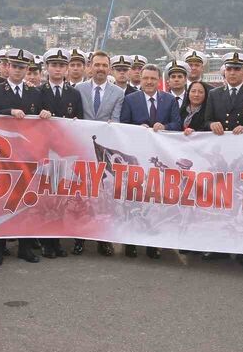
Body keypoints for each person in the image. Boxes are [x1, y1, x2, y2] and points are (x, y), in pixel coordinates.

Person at [0, 48, 51, 265]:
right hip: (3, 156)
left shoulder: (36, 93)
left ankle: (25, 248)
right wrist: (9, 112)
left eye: (23, 67)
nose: (19, 70)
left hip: (28, 155)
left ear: (27, 69)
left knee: (26, 202)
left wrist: (45, 115)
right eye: (15, 66)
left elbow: (42, 120)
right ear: (7, 67)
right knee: (2, 203)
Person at [202, 52, 243, 262]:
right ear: (224, 71)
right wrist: (211, 125)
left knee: (240, 200)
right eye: (230, 69)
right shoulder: (215, 94)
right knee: (219, 200)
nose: (233, 73)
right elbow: (206, 121)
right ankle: (218, 246)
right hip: (222, 155)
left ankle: (242, 250)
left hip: (242, 155)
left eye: (237, 69)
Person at [120, 64, 181, 259]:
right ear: (140, 78)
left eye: (153, 79)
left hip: (159, 159)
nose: (148, 82)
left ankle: (153, 245)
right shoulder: (130, 100)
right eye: (145, 78)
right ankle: (131, 243)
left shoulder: (170, 100)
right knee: (134, 199)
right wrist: (138, 129)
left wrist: (164, 126)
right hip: (136, 158)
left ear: (158, 81)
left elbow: (177, 124)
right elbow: (123, 125)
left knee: (155, 200)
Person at [74, 51, 125, 256]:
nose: (101, 69)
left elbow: (117, 120)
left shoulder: (118, 93)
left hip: (104, 151)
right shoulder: (78, 89)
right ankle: (80, 239)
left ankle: (104, 240)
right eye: (97, 65)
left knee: (104, 196)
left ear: (109, 68)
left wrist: (112, 127)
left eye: (105, 65)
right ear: (90, 66)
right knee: (82, 195)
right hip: (81, 148)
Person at [39, 48, 83, 258]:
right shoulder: (39, 91)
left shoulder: (74, 94)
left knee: (60, 196)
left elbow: (80, 121)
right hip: (45, 151)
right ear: (47, 67)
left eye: (61, 65)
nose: (57, 69)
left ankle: (56, 241)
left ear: (66, 69)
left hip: (65, 152)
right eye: (54, 65)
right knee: (46, 196)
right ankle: (47, 242)